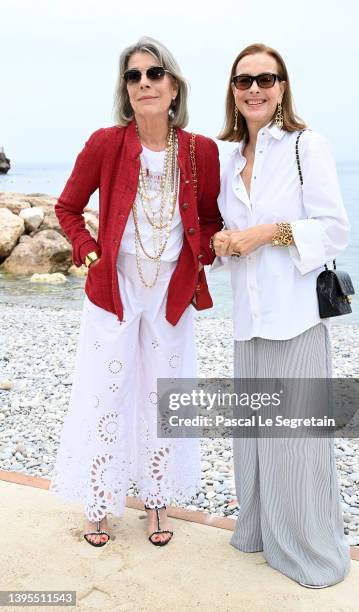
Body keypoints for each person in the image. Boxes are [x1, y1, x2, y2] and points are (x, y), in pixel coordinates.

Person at [49, 36, 222, 547]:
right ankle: (99, 503)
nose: (144, 82)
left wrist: (205, 257)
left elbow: (209, 219)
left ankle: (156, 502)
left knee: (163, 397)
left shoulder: (199, 151)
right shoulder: (106, 143)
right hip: (115, 288)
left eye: (154, 74)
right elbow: (67, 207)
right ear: (125, 91)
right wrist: (89, 250)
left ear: (174, 87)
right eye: (133, 76)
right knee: (106, 394)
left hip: (170, 292)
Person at [212, 43, 351, 587]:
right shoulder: (227, 156)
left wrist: (268, 232)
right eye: (244, 81)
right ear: (233, 89)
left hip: (294, 316)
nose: (254, 89)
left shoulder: (305, 145)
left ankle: (310, 552)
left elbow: (335, 228)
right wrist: (227, 242)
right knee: (254, 434)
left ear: (282, 86)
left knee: (297, 442)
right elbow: (229, 235)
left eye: (265, 80)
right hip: (248, 317)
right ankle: (262, 533)